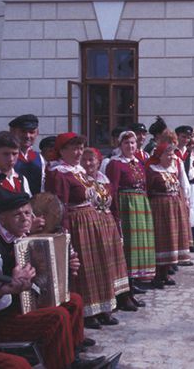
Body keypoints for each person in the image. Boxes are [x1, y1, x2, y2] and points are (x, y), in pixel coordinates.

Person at [0, 194, 105, 369]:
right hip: (1, 319)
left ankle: (72, 356)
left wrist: (66, 265)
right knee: (57, 317)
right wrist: (10, 287)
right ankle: (63, 365)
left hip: (24, 306)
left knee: (73, 300)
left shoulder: (27, 238)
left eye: (28, 213)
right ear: (2, 220)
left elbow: (43, 276)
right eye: (17, 215)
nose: (25, 219)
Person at [45, 133, 120, 329]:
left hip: (92, 222)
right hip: (77, 225)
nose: (78, 152)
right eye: (74, 148)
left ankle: (103, 308)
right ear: (62, 151)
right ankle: (88, 313)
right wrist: (65, 234)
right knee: (85, 270)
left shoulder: (79, 171)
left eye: (80, 148)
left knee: (99, 266)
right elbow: (59, 206)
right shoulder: (59, 173)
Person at [80, 147, 137, 311]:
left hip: (108, 224)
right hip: (91, 226)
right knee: (100, 265)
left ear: (98, 162)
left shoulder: (103, 179)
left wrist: (117, 226)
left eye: (92, 160)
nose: (88, 163)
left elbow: (113, 206)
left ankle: (120, 298)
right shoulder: (81, 180)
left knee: (115, 263)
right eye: (84, 160)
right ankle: (101, 304)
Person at [105, 131, 157, 291]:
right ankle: (126, 283)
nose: (130, 146)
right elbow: (112, 188)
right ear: (120, 145)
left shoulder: (140, 162)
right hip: (126, 205)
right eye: (126, 143)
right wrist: (116, 212)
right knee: (127, 243)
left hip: (140, 205)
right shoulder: (115, 163)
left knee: (140, 242)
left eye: (133, 143)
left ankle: (136, 279)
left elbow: (145, 185)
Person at [145, 143, 192, 286]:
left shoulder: (172, 170)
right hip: (160, 208)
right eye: (168, 154)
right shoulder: (152, 170)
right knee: (161, 241)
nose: (171, 157)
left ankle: (165, 273)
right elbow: (147, 189)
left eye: (172, 154)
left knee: (172, 240)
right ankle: (157, 275)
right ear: (160, 155)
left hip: (174, 207)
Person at [0, 132, 39, 235]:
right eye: (6, 154)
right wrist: (25, 228)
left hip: (21, 239)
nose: (11, 159)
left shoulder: (21, 179)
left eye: (14, 153)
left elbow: (28, 208)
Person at [9, 115, 45, 195]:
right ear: (13, 132)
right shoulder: (5, 157)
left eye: (31, 132)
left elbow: (42, 186)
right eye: (23, 131)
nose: (27, 136)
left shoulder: (39, 158)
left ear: (37, 133)